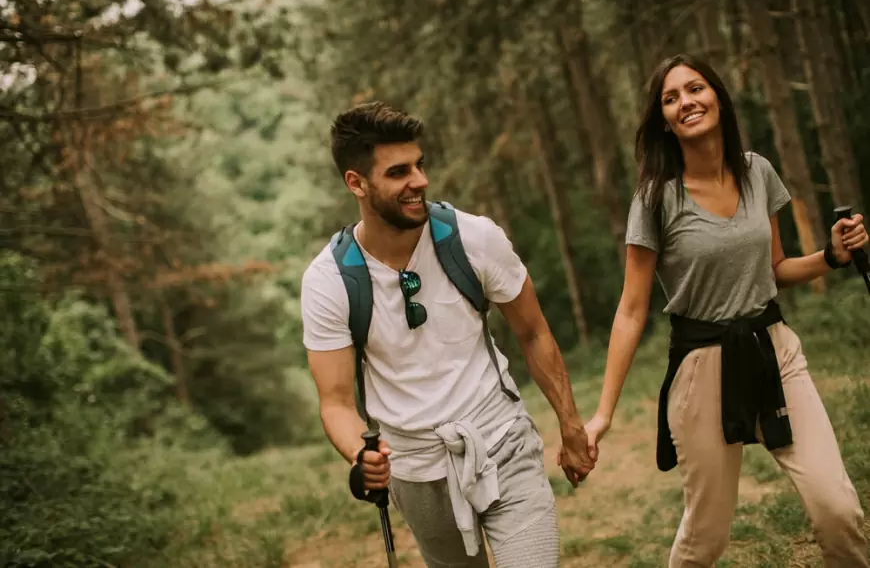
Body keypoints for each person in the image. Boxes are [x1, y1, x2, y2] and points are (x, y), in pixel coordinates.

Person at [582, 53, 870, 567]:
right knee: (706, 538)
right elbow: (631, 310)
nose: (686, 102)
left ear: (717, 95)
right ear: (663, 121)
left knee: (838, 510)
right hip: (701, 369)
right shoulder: (655, 199)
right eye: (671, 98)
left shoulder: (757, 171)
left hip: (774, 349)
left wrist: (832, 256)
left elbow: (775, 267)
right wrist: (603, 414)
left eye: (695, 89)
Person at [301, 101, 596, 568]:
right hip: (416, 472)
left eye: (419, 165)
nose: (419, 181)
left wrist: (571, 424)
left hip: (502, 440)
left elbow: (534, 331)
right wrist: (361, 453)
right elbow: (335, 400)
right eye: (398, 172)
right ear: (356, 183)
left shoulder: (473, 237)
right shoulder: (329, 281)